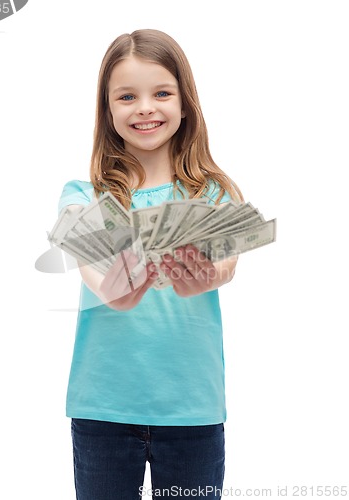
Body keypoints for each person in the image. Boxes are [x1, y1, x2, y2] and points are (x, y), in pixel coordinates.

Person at [57, 29, 243, 500]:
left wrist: (205, 273)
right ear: (108, 111)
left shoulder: (213, 195)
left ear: (185, 106)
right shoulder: (84, 195)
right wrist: (114, 289)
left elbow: (226, 264)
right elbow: (89, 266)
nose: (145, 107)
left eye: (161, 93)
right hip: (103, 409)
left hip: (192, 412)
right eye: (127, 96)